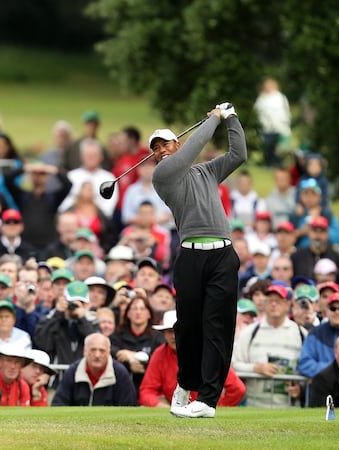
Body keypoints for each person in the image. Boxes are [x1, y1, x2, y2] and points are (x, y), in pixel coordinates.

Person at [150, 103, 247, 418]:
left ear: (176, 143)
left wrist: (231, 118)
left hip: (222, 254)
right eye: (156, 148)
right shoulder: (163, 174)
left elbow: (239, 155)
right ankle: (186, 382)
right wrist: (214, 119)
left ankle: (207, 400)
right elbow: (192, 149)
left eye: (166, 144)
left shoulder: (207, 171)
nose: (161, 150)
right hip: (190, 256)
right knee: (188, 327)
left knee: (216, 326)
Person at [139, 311, 245, 408]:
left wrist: (211, 407)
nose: (174, 336)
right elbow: (147, 391)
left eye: (178, 331)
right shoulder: (160, 354)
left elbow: (237, 389)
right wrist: (161, 406)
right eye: (170, 331)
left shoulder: (206, 353)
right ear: (164, 334)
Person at [231, 284, 305, 407]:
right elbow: (234, 364)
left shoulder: (300, 333)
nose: (274, 304)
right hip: (254, 406)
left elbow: (306, 369)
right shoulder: (250, 332)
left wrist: (301, 388)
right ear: (264, 304)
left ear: (287, 305)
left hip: (289, 408)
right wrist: (256, 368)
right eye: (270, 300)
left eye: (278, 300)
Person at [52, 333, 137, 406]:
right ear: (85, 351)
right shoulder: (73, 371)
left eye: (102, 351)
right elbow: (58, 404)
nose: (97, 355)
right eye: (93, 350)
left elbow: (129, 407)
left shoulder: (120, 373)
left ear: (109, 352)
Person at [298, 292, 339, 378]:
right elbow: (305, 364)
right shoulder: (315, 333)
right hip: (321, 387)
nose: (337, 312)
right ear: (327, 311)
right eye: (333, 308)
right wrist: (334, 370)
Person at [33, 281, 99, 366]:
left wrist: (83, 320)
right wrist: (58, 315)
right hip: (57, 373)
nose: (75, 305)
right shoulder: (50, 318)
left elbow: (95, 343)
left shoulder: (93, 321)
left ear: (86, 304)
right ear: (64, 300)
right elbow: (42, 343)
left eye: (81, 302)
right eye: (71, 301)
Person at [253, 77, 291, 167]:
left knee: (278, 147)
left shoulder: (280, 97)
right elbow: (257, 111)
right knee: (267, 146)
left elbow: (285, 111)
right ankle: (268, 163)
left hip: (279, 126)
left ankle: (277, 163)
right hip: (265, 127)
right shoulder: (262, 98)